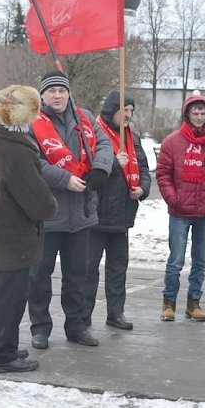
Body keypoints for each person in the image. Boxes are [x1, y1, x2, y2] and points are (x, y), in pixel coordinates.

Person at [28, 71, 114, 349]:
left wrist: (100, 169)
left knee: (78, 276)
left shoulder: (84, 117)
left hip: (82, 213)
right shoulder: (32, 122)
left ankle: (76, 326)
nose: (57, 96)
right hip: (48, 214)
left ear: (68, 93)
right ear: (42, 95)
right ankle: (40, 328)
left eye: (62, 91)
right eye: (51, 91)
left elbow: (104, 145)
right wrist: (64, 179)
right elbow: (32, 161)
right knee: (39, 275)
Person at [0, 85, 58, 373]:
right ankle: (2, 355)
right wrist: (52, 204)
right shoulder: (18, 153)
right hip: (14, 239)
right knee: (10, 300)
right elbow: (41, 205)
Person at [156, 93, 205, 322]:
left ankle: (194, 303)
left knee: (200, 261)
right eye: (194, 112)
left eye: (202, 112)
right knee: (176, 260)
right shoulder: (172, 141)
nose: (199, 116)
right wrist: (173, 198)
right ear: (187, 114)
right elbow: (163, 174)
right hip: (179, 212)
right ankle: (169, 302)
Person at [85, 91, 151, 330]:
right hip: (97, 214)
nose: (128, 115)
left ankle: (116, 312)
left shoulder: (132, 137)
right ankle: (84, 316)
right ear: (112, 109)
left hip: (122, 214)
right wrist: (114, 164)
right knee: (88, 270)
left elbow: (143, 167)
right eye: (125, 110)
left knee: (118, 269)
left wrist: (143, 188)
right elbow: (89, 170)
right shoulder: (94, 133)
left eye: (131, 111)